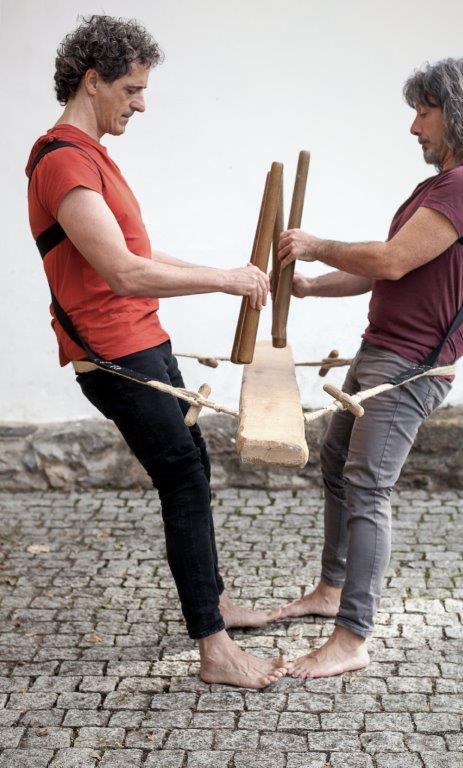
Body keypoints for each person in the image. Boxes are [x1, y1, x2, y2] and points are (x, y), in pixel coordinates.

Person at [26, 14, 286, 689]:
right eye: (133, 89)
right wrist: (226, 280)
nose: (141, 103)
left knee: (191, 468)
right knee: (182, 476)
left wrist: (224, 272)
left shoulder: (91, 158)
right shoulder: (61, 161)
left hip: (144, 339)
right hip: (113, 353)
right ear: (93, 79)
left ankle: (215, 603)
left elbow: (138, 258)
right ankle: (215, 647)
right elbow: (122, 272)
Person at [276, 58, 463, 679]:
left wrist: (316, 241)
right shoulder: (438, 188)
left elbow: (394, 259)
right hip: (381, 350)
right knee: (336, 466)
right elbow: (382, 267)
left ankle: (351, 638)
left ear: (457, 112)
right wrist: (310, 285)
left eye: (423, 111)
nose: (414, 127)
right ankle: (331, 589)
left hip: (410, 366)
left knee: (367, 484)